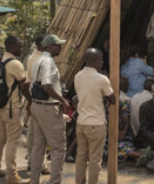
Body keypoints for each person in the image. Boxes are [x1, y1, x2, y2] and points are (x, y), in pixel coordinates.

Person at [0, 35, 33, 184]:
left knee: (0, 138)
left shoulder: (1, 60)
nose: (21, 49)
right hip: (12, 107)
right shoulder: (15, 64)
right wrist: (30, 102)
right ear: (11, 46)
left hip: (1, 106)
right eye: (19, 46)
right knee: (13, 141)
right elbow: (24, 85)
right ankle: (11, 174)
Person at [28, 34, 71, 184]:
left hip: (36, 105)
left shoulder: (37, 60)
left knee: (38, 146)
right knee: (58, 147)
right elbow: (46, 85)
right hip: (48, 107)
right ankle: (55, 181)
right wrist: (62, 100)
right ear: (49, 46)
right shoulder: (48, 61)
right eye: (58, 45)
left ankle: (34, 180)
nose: (60, 48)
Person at [71, 48, 113, 184]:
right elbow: (112, 98)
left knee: (81, 157)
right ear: (96, 61)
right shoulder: (102, 79)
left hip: (81, 122)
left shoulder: (77, 76)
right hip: (96, 123)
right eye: (101, 60)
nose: (102, 63)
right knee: (95, 159)